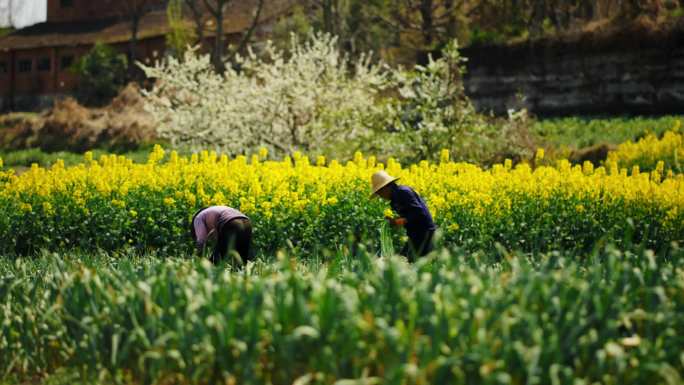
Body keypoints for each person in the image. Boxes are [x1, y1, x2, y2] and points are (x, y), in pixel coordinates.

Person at [370, 170, 436, 261]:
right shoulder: (394, 200)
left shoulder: (403, 192)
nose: (381, 196)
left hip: (424, 233)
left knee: (407, 262)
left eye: (380, 193)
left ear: (386, 188)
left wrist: (397, 221)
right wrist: (394, 221)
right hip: (414, 235)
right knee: (404, 260)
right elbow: (408, 216)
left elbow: (419, 212)